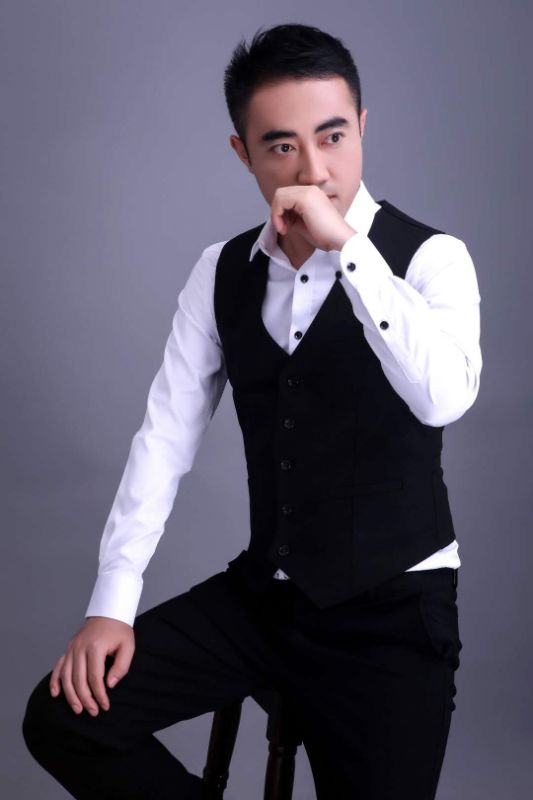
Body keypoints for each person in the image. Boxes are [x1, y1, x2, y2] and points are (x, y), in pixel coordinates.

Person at [22, 22, 482, 799]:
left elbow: (443, 397)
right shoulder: (220, 271)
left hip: (393, 615)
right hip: (266, 597)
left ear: (362, 126)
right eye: (281, 147)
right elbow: (164, 437)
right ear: (243, 154)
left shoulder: (433, 259)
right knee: (64, 720)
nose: (314, 170)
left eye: (332, 136)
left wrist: (347, 249)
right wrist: (112, 603)